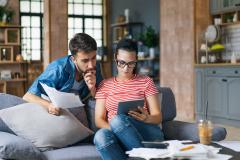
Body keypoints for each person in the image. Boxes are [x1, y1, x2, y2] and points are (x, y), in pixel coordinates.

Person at [93, 38, 164, 160]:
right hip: (117, 134)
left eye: (131, 63)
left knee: (116, 120)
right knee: (100, 136)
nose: (126, 68)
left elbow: (158, 116)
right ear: (116, 58)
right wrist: (118, 130)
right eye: (122, 62)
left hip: (146, 131)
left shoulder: (146, 81)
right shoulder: (105, 85)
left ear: (136, 60)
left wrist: (148, 118)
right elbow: (99, 120)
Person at [23, 33, 103, 116]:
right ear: (73, 59)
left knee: (97, 105)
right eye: (85, 61)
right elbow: (28, 96)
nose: (91, 65)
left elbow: (101, 97)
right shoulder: (58, 69)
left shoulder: (95, 66)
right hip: (54, 105)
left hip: (79, 103)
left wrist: (92, 89)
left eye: (93, 58)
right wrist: (49, 105)